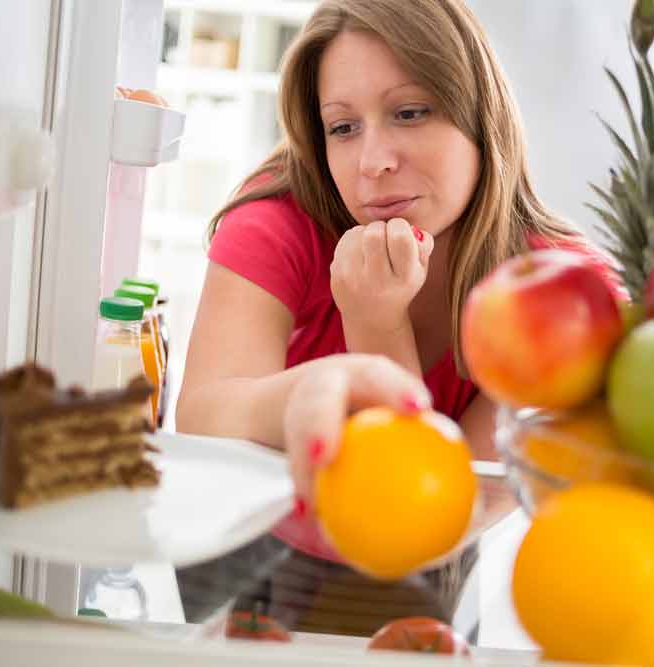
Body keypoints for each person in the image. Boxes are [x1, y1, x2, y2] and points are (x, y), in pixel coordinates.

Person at [174, 0, 618, 633]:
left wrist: (376, 322)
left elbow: (430, 521)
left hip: (422, 578)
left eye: (409, 113)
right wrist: (313, 390)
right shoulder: (276, 219)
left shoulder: (564, 296)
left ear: (478, 114)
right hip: (248, 542)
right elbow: (203, 418)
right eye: (343, 127)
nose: (372, 162)